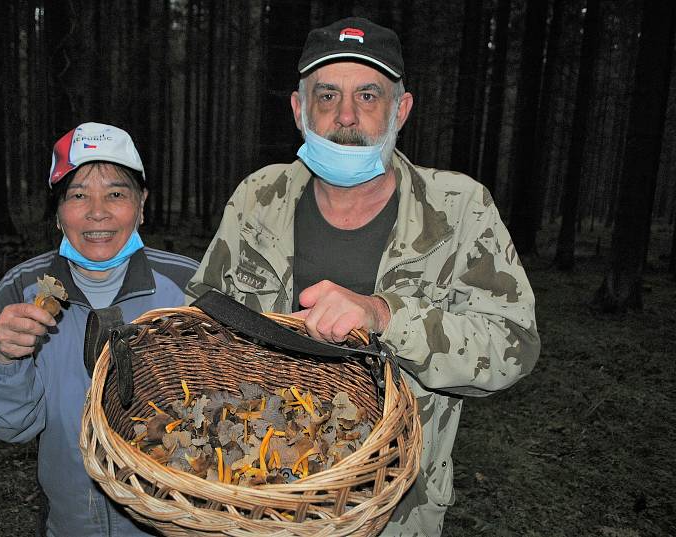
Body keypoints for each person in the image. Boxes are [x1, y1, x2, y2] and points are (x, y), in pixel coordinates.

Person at [185, 17, 540, 536]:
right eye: (326, 95)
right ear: (298, 111)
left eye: (368, 96)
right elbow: (203, 316)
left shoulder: (459, 209)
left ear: (402, 108)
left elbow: (514, 346)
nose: (345, 115)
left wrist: (384, 316)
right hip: (261, 497)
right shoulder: (257, 199)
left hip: (395, 508)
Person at [0, 122, 198, 536]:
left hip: (174, 524)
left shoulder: (189, 289)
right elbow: (5, 425)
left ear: (141, 204)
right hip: (70, 524)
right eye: (77, 195)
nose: (97, 211)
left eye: (116, 193)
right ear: (57, 213)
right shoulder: (21, 291)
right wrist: (6, 359)